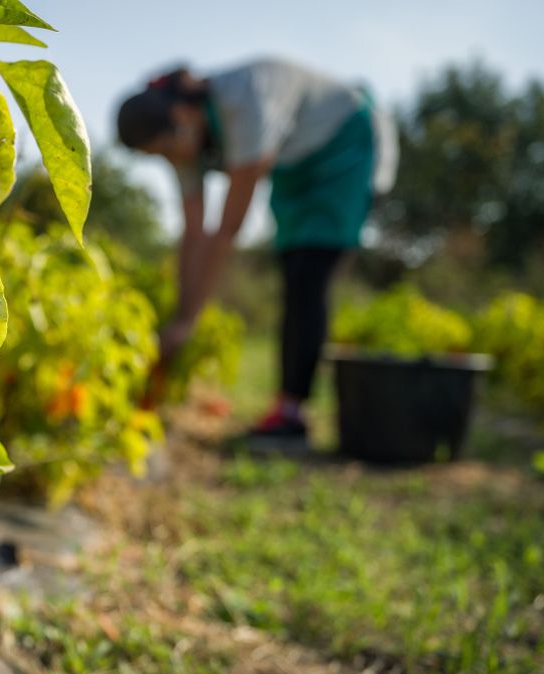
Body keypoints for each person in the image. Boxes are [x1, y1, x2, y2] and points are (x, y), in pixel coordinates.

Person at [118, 57, 397, 447]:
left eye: (166, 148)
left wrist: (186, 324)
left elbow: (227, 229)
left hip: (344, 142)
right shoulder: (184, 138)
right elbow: (193, 234)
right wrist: (179, 315)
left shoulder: (245, 103)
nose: (171, 160)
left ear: (183, 115)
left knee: (309, 273)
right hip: (294, 164)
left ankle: (292, 415)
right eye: (157, 156)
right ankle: (287, 406)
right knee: (292, 266)